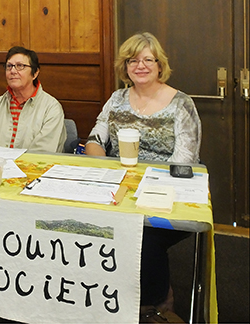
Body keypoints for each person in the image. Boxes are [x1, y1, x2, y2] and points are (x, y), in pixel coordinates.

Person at [85, 32, 201, 321]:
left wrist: (142, 186)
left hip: (168, 194)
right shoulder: (116, 100)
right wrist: (107, 167)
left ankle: (157, 302)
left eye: (147, 59)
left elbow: (184, 161)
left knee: (144, 233)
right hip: (119, 190)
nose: (140, 65)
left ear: (159, 65)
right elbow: (94, 140)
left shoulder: (181, 104)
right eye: (132, 60)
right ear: (125, 67)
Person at [0, 46, 66, 153]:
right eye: (9, 66)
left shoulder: (51, 108)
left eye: (20, 66)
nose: (13, 71)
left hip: (32, 168)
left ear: (35, 73)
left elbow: (42, 153)